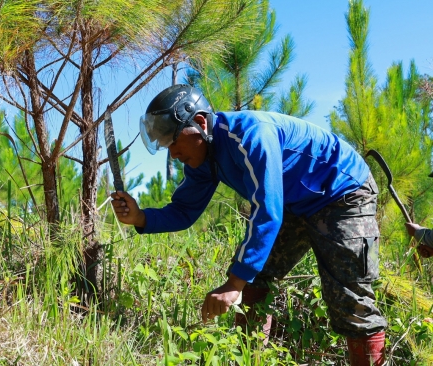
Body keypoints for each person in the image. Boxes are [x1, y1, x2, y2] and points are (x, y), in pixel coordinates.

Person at [110, 84, 387, 366]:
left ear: (200, 123)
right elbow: (184, 211)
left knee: (353, 303)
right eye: (167, 145)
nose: (173, 153)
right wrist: (140, 217)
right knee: (256, 277)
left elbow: (268, 211)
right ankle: (251, 358)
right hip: (294, 204)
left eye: (174, 140)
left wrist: (233, 284)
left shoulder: (251, 135)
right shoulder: (202, 158)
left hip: (344, 194)